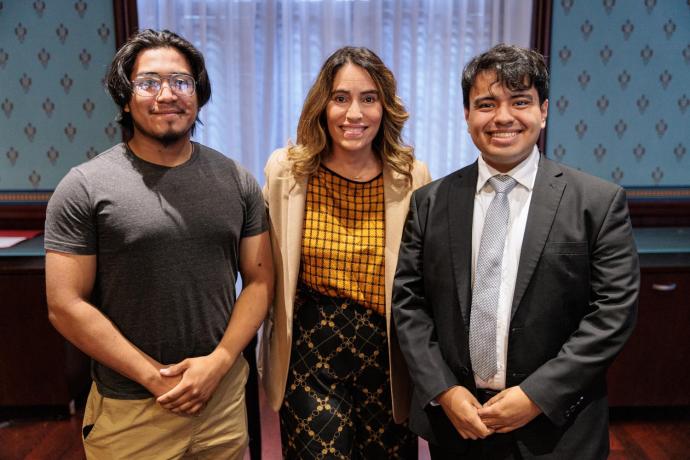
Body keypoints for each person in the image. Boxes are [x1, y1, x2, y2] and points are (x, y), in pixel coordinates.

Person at [392, 44, 639, 459]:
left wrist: (537, 395)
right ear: (467, 115)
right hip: (459, 424)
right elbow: (409, 304)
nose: (503, 117)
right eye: (486, 104)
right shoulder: (431, 202)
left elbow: (613, 313)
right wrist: (445, 390)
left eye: (520, 101)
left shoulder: (596, 202)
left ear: (543, 110)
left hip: (559, 429)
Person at [44, 29, 273, 459]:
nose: (167, 94)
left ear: (199, 95)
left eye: (181, 82)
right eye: (149, 82)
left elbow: (260, 282)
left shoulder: (236, 181)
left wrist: (220, 363)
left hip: (220, 402)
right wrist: (153, 377)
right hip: (131, 411)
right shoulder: (84, 187)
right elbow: (64, 304)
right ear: (126, 97)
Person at [260, 46, 431, 459]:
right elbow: (263, 266)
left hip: (387, 359)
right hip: (311, 353)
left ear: (384, 107)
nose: (354, 113)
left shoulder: (412, 176)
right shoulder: (287, 171)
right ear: (323, 105)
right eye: (341, 98)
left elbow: (424, 277)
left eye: (368, 99)